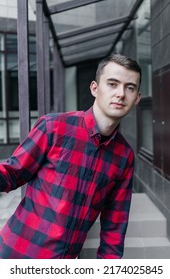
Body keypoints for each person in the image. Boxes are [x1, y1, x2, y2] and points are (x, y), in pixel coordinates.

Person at [0, 53, 141, 259]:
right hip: (18, 254)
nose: (120, 93)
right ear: (94, 88)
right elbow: (12, 173)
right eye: (112, 84)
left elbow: (115, 228)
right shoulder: (54, 127)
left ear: (137, 98)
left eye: (130, 87)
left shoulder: (124, 156)